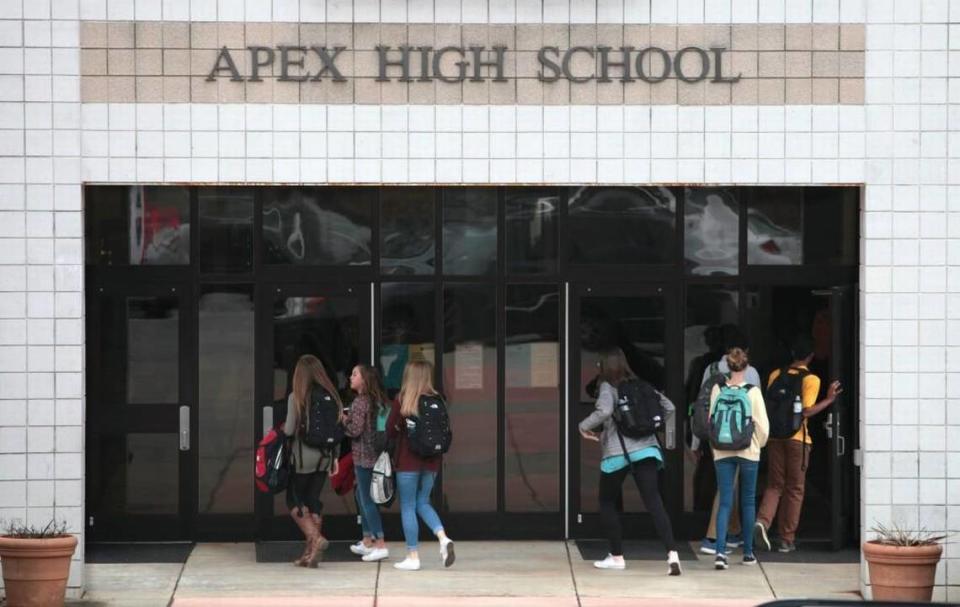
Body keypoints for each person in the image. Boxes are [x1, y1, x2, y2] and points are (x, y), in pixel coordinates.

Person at [578, 347, 682, 576]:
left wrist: (583, 426)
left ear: (603, 367)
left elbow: (604, 411)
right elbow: (670, 407)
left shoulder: (608, 386)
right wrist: (651, 425)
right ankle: (673, 555)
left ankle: (617, 557)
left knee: (607, 502)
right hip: (647, 450)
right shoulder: (640, 384)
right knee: (654, 503)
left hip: (617, 452)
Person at [754, 335, 842, 554]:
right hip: (797, 440)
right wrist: (829, 400)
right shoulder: (811, 379)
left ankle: (762, 522)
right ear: (810, 356)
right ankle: (786, 539)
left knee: (775, 484)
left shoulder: (776, 374)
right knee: (795, 489)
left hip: (775, 438)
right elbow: (806, 411)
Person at [694, 326, 763, 556]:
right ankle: (713, 538)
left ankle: (733, 533)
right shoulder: (751, 373)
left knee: (728, 488)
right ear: (745, 351)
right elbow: (757, 411)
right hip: (743, 442)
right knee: (734, 493)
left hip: (718, 439)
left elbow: (703, 407)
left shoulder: (710, 369)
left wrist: (696, 442)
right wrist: (759, 443)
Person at [386, 359, 455, 571]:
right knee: (423, 502)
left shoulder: (403, 399)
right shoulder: (439, 399)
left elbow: (390, 431)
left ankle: (413, 556)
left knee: (408, 505)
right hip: (432, 461)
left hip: (408, 461)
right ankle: (443, 538)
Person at [710, 347, 768, 570]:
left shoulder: (718, 388)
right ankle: (748, 554)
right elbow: (762, 426)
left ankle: (720, 553)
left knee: (725, 501)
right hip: (748, 451)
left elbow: (711, 419)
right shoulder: (753, 392)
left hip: (722, 452)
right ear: (746, 367)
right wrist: (756, 445)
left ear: (728, 365)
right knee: (748, 500)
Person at [282, 354, 342, 568]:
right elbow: (337, 430)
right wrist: (334, 457)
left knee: (295, 501)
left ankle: (316, 539)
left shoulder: (296, 397)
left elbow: (289, 429)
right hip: (324, 458)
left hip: (302, 458)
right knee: (313, 501)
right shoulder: (332, 396)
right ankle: (309, 554)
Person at [343, 364, 390, 563]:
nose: (350, 377)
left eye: (354, 374)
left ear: (364, 380)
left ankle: (379, 543)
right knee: (361, 496)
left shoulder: (360, 402)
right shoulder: (378, 400)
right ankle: (367, 539)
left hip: (363, 457)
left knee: (367, 499)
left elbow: (355, 430)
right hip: (375, 456)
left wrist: (343, 420)